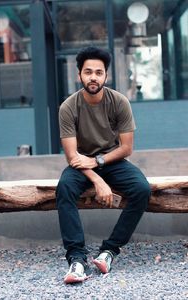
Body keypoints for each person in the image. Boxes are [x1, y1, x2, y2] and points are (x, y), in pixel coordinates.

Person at [56, 46, 151, 284]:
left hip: (112, 160)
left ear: (106, 76)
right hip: (81, 165)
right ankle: (77, 260)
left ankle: (109, 251)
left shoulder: (119, 102)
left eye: (99, 72)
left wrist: (99, 162)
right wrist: (97, 180)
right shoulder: (68, 107)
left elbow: (127, 148)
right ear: (79, 75)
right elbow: (71, 156)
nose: (93, 77)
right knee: (64, 188)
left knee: (142, 189)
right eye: (88, 72)